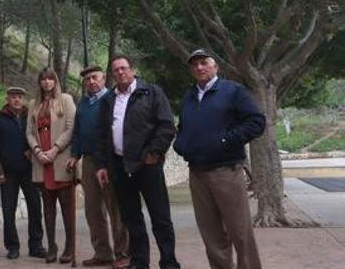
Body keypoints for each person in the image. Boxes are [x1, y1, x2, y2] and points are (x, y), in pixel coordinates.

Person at [174, 49, 266, 269]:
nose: (199, 67)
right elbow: (183, 128)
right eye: (195, 64)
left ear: (215, 67)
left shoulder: (233, 91)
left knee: (240, 231)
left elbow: (256, 122)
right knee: (211, 234)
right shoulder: (189, 96)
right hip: (197, 173)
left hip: (226, 171)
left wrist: (226, 140)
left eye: (204, 63)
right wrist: (182, 145)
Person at [96, 55, 180, 269]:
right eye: (116, 70)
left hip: (147, 165)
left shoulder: (151, 93)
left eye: (124, 68)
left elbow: (166, 126)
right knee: (132, 218)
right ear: (112, 74)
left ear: (133, 70)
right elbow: (102, 135)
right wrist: (103, 165)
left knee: (160, 217)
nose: (120, 72)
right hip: (120, 166)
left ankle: (168, 261)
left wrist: (154, 153)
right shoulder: (108, 100)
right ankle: (140, 261)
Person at [66, 66, 129, 269]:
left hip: (109, 161)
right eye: (87, 79)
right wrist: (74, 155)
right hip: (89, 161)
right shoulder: (83, 103)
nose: (91, 82)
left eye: (95, 78)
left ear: (103, 79)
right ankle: (102, 253)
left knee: (115, 209)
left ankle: (123, 254)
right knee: (93, 210)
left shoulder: (111, 99)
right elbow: (77, 132)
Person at [0, 87, 46, 260]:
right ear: (8, 99)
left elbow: (41, 137)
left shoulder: (31, 116)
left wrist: (33, 153)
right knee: (8, 211)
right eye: (13, 97)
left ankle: (36, 245)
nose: (16, 100)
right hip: (8, 173)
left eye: (19, 97)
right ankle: (12, 246)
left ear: (23, 99)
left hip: (29, 171)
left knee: (35, 208)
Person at [27, 67, 77, 264]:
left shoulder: (65, 99)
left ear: (55, 81)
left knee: (67, 208)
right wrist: (38, 151)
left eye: (50, 79)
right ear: (39, 82)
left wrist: (55, 149)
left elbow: (71, 127)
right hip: (42, 162)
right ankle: (52, 247)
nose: (47, 82)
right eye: (43, 79)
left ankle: (69, 248)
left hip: (60, 160)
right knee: (48, 209)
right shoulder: (33, 104)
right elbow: (29, 132)